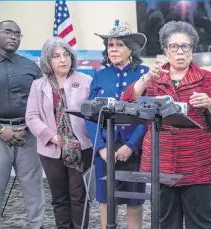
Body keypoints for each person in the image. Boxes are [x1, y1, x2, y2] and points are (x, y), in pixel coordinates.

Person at [121, 21, 211, 229]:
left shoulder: (206, 78)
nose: (180, 52)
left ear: (192, 50)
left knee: (199, 222)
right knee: (165, 222)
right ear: (165, 50)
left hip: (198, 162)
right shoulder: (153, 78)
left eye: (185, 46)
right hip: (161, 161)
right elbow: (127, 101)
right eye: (174, 46)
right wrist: (146, 79)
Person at [85, 19, 148, 229]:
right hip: (105, 149)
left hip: (134, 149)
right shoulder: (100, 75)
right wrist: (102, 147)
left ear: (131, 48)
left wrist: (131, 145)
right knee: (105, 200)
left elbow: (148, 115)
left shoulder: (144, 74)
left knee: (134, 200)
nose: (113, 49)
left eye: (119, 45)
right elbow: (91, 116)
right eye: (110, 45)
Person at [25, 37, 93, 229]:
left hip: (81, 147)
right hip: (50, 150)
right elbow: (31, 117)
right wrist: (54, 138)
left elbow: (94, 114)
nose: (63, 60)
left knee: (79, 196)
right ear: (48, 60)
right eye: (56, 56)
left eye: (66, 55)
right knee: (59, 197)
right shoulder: (38, 85)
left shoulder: (86, 81)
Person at [0, 20, 45, 229]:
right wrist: (1, 130)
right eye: (8, 32)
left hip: (27, 134)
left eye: (18, 34)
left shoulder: (30, 67)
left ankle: (37, 225)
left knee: (33, 185)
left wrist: (29, 126)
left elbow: (44, 101)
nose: (13, 37)